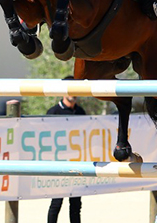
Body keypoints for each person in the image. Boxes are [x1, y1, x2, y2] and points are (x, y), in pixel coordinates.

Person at [46, 76, 86, 223]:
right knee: (56, 203)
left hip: (77, 164)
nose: (73, 93)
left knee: (76, 204)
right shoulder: (53, 112)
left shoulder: (81, 112)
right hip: (59, 164)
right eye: (70, 89)